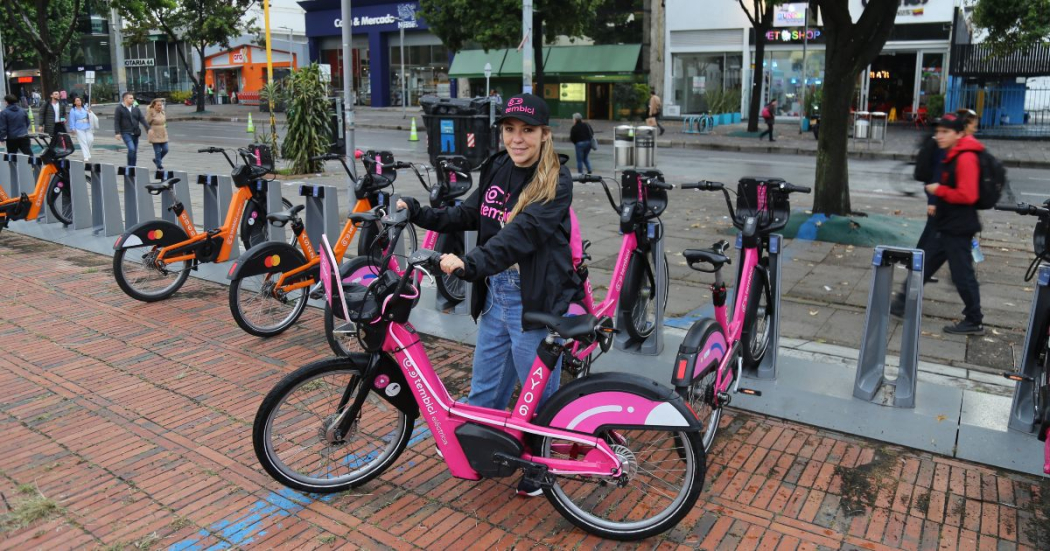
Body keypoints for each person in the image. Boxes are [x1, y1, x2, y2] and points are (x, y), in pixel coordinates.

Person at [396, 93, 577, 497]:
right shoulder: (498, 165)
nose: (517, 139)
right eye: (510, 129)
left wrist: (471, 263)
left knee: (538, 396)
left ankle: (541, 466)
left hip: (531, 298)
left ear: (545, 135)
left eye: (527, 131)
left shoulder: (555, 181)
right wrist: (421, 213)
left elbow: (522, 234)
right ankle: (487, 452)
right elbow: (470, 214)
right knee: (486, 389)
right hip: (497, 292)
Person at [891, 113, 985, 335]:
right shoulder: (950, 153)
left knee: (962, 275)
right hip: (945, 222)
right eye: (938, 131)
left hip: (958, 227)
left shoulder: (965, 157)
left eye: (945, 132)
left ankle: (974, 320)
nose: (938, 136)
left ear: (958, 134)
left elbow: (968, 195)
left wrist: (938, 192)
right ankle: (901, 303)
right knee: (924, 263)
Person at [114, 92, 149, 167]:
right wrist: (117, 133)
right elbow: (116, 121)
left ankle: (133, 167)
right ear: (125, 99)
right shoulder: (119, 108)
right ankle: (130, 166)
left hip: (135, 133)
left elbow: (142, 119)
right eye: (131, 98)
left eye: (133, 98)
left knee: (134, 151)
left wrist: (148, 128)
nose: (133, 99)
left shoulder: (136, 109)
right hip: (126, 133)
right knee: (131, 149)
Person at [67, 97, 94, 162]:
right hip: (79, 127)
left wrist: (90, 112)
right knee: (83, 142)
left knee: (90, 140)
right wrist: (72, 128)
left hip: (87, 126)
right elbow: (72, 120)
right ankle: (86, 156)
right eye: (77, 100)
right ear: (74, 102)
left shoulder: (85, 108)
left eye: (79, 100)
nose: (79, 101)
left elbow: (90, 115)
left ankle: (88, 152)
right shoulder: (73, 110)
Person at [145, 98, 169, 169]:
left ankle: (157, 160)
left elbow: (164, 122)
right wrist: (149, 131)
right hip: (154, 133)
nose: (160, 106)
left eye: (161, 105)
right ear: (154, 105)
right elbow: (146, 123)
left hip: (163, 133)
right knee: (157, 151)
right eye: (158, 105)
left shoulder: (162, 112)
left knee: (166, 149)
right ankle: (159, 165)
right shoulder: (151, 113)